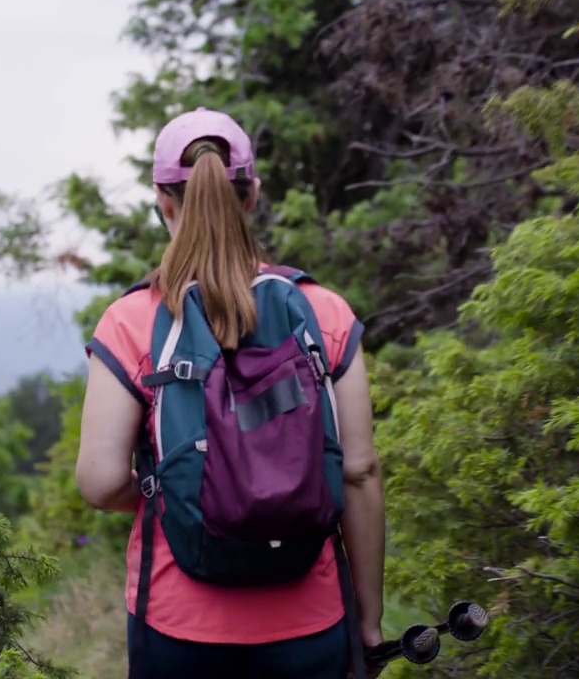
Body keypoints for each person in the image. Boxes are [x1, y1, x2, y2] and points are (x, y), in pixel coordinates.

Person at [75, 107, 387, 679]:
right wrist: (369, 622)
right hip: (310, 626)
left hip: (178, 628)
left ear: (163, 200)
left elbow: (99, 480)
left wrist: (185, 496)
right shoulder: (325, 312)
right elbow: (359, 471)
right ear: (252, 194)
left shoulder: (132, 322)